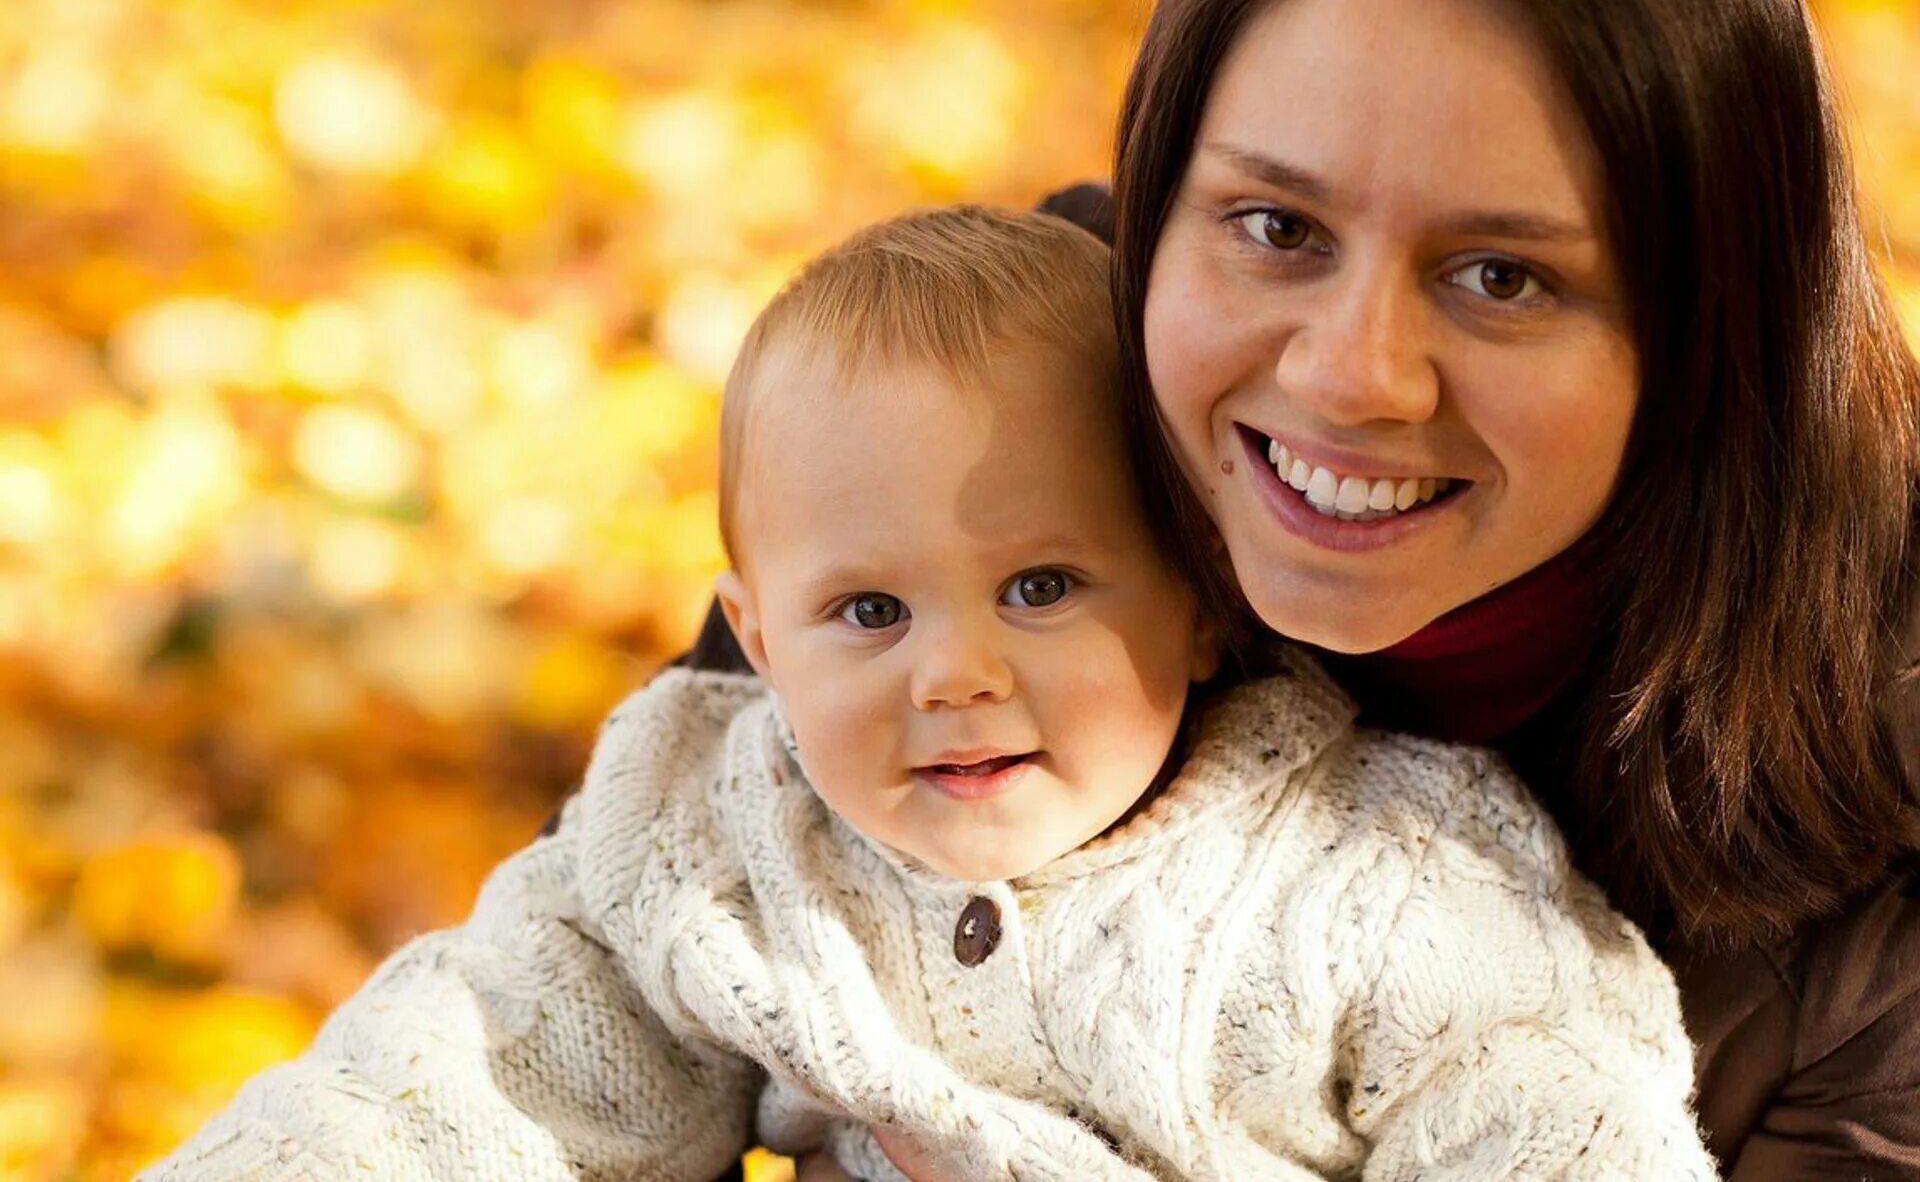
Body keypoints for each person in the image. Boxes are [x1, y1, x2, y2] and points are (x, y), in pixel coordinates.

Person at [142, 206, 1716, 1180]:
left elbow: (1558, 1122)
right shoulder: (718, 836)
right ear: (757, 640)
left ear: (1200, 604)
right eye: (869, 610)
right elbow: (469, 1069)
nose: (955, 671)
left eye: (1042, 587)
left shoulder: (1382, 878)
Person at [769, 0, 1920, 1177]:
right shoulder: (965, 411)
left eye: (1502, 277)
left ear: (1711, 328)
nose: (1349, 377)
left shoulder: (1887, 861)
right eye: (1276, 227)